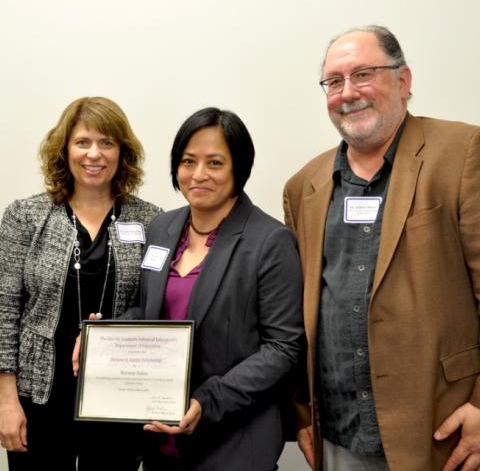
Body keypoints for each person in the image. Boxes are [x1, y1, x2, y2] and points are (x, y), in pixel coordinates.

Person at [283, 25, 480, 471]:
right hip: (338, 435)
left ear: (403, 80)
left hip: (442, 434)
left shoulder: (463, 152)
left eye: (363, 74)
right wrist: (300, 414)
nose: (347, 93)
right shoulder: (303, 188)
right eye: (334, 82)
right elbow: (297, 316)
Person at [123, 107, 305, 471]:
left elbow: (283, 347)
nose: (199, 174)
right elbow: (147, 312)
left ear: (240, 168)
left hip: (234, 441)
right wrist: (104, 334)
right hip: (160, 439)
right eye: (188, 162)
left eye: (215, 163)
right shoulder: (162, 228)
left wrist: (208, 400)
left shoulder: (270, 241)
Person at [0, 96, 161, 471]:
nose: (95, 154)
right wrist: (7, 400)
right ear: (64, 149)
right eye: (83, 142)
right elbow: (5, 310)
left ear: (123, 153)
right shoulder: (26, 216)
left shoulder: (152, 220)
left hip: (119, 400)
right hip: (39, 397)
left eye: (107, 143)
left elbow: (157, 310)